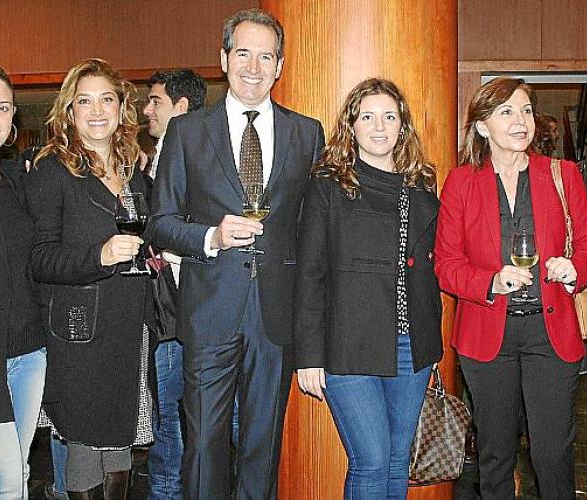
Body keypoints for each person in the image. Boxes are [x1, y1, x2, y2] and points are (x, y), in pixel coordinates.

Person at [149, 8, 325, 499]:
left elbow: (314, 232)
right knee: (203, 446)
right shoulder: (187, 131)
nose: (253, 67)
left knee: (262, 448)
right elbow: (160, 223)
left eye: (266, 57)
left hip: (276, 316)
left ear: (280, 65)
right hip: (208, 312)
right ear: (223, 59)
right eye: (243, 53)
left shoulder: (306, 133)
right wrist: (212, 236)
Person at [434, 77, 587, 499]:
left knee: (552, 453)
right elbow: (446, 265)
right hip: (488, 334)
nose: (520, 121)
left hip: (551, 332)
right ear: (482, 126)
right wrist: (490, 281)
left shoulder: (562, 175)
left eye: (526, 110)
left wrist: (574, 269)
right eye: (506, 111)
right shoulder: (461, 182)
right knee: (495, 455)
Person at [293, 78, 442, 499]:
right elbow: (309, 274)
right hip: (349, 345)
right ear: (351, 125)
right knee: (372, 460)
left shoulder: (421, 185)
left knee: (397, 460)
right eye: (368, 117)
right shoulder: (329, 184)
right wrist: (309, 355)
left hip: (411, 344)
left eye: (389, 117)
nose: (379, 127)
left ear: (402, 125)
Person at [26, 58, 155, 499]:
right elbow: (40, 259)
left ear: (121, 107)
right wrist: (99, 255)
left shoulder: (132, 169)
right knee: (84, 443)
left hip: (130, 324)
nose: (97, 110)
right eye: (85, 101)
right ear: (69, 111)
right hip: (80, 331)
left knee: (120, 445)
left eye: (106, 99)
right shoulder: (52, 170)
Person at [0, 63, 47, 499]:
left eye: (3, 108)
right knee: (2, 484)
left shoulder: (18, 181)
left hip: (30, 354)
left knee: (18, 476)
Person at [143, 68, 206, 500]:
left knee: (175, 414)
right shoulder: (151, 161)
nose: (146, 110)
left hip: (187, 309)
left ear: (181, 107)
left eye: (156, 101)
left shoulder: (193, 156)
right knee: (174, 419)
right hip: (172, 311)